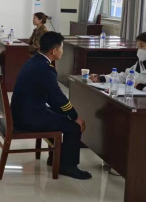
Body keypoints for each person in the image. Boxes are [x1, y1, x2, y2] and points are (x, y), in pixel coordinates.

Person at [11, 31, 91, 180]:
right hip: (29, 117)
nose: (62, 51)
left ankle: (54, 158)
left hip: (21, 112)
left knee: (59, 116)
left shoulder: (34, 62)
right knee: (74, 127)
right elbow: (58, 98)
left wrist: (65, 113)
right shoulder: (45, 69)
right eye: (62, 48)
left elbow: (52, 98)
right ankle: (68, 166)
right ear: (54, 51)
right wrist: (75, 117)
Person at [90, 31, 146, 103]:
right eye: (138, 46)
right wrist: (102, 78)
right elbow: (125, 76)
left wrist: (143, 88)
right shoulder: (142, 62)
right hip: (139, 102)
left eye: (142, 46)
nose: (139, 49)